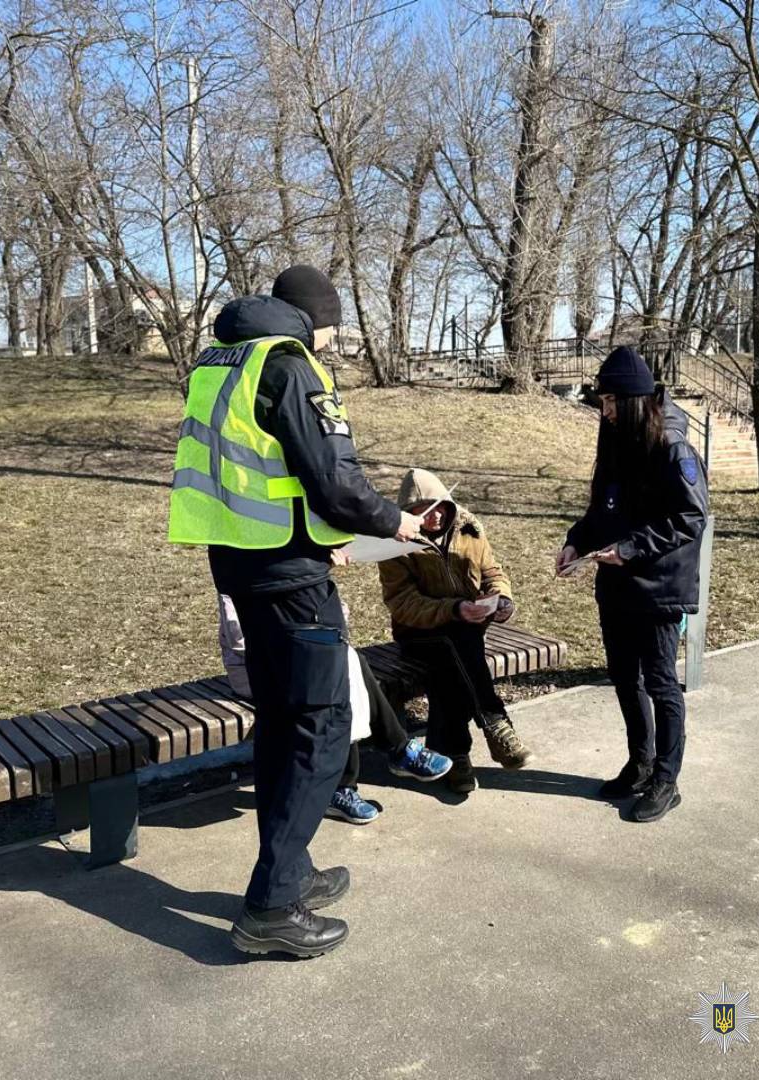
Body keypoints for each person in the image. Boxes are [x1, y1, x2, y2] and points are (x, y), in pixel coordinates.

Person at [168, 265, 423, 958]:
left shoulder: (221, 361)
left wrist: (321, 534)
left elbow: (261, 469)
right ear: (318, 319)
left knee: (282, 720)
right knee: (322, 725)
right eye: (334, 327)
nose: (334, 340)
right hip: (290, 579)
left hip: (243, 562)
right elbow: (335, 481)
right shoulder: (290, 365)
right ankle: (273, 905)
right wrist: (395, 522)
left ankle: (294, 867)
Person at [557, 345, 708, 823]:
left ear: (633, 400)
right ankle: (640, 763)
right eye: (602, 401)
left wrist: (630, 548)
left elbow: (691, 517)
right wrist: (576, 542)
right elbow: (602, 510)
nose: (603, 410)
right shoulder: (616, 440)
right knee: (624, 677)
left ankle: (666, 778)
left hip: (659, 587)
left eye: (609, 401)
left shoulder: (672, 446)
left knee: (661, 683)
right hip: (617, 585)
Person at [217, 591, 453, 826]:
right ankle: (392, 754)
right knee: (339, 668)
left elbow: (335, 612)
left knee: (344, 662)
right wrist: (303, 639)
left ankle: (345, 785)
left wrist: (321, 627)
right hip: (257, 670)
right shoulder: (240, 573)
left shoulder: (299, 570)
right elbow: (240, 639)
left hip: (306, 658)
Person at [378, 468, 532, 794]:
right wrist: (454, 609)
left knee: (450, 669)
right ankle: (494, 721)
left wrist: (501, 599)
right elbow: (401, 602)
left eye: (437, 508)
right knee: (456, 644)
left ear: (447, 503)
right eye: (420, 512)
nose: (432, 517)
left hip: (468, 627)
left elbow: (492, 572)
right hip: (417, 632)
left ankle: (452, 755)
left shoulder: (469, 528)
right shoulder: (395, 542)